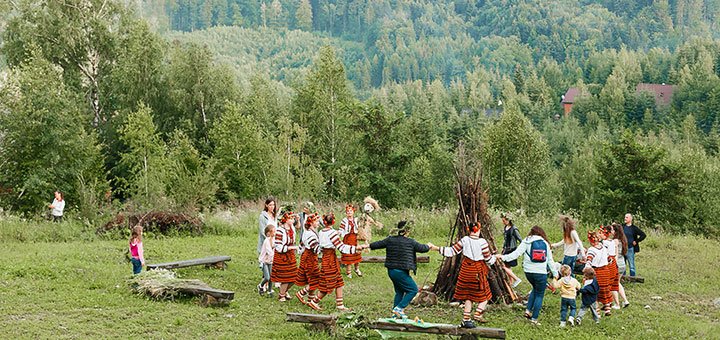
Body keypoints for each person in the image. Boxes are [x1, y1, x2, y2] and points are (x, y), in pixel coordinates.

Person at [429, 222, 496, 328]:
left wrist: (436, 248)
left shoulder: (464, 240)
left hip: (465, 271)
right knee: (485, 295)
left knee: (467, 296)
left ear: (468, 230)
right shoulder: (482, 242)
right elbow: (488, 259)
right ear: (478, 230)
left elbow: (451, 251)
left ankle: (466, 319)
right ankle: (478, 314)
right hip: (477, 272)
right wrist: (496, 258)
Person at [367, 220, 431, 320]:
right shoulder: (411, 242)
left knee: (400, 291)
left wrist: (366, 245)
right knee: (413, 289)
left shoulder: (390, 240)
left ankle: (394, 315)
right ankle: (399, 309)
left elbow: (377, 244)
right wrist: (429, 246)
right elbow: (422, 248)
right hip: (400, 272)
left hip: (391, 271)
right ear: (407, 231)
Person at [497, 225, 559, 325]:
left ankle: (528, 311)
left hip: (528, 272)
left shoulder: (526, 240)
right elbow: (550, 261)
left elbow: (516, 254)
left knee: (535, 288)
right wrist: (556, 274)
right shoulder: (545, 243)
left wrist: (503, 257)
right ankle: (534, 319)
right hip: (541, 273)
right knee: (540, 294)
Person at [308, 213, 358, 311]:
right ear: (333, 222)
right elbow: (341, 247)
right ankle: (314, 301)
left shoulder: (321, 232)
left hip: (326, 257)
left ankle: (340, 305)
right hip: (330, 259)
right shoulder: (332, 233)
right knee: (328, 283)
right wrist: (355, 249)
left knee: (339, 281)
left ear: (324, 222)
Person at [294, 213, 322, 308]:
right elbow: (316, 249)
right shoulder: (310, 234)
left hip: (307, 256)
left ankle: (310, 299)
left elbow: (301, 244)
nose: (318, 223)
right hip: (310, 257)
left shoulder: (307, 231)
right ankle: (301, 293)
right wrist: (326, 248)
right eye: (316, 221)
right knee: (316, 278)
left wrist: (301, 251)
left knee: (312, 278)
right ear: (311, 223)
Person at [271, 212, 299, 302]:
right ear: (285, 220)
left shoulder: (292, 229)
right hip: (282, 256)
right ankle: (281, 295)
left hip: (290, 255)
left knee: (294, 276)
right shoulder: (280, 230)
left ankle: (285, 291)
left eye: (292, 218)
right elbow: (278, 247)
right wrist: (291, 247)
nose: (292, 220)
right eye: (290, 218)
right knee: (285, 277)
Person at [584, 229, 613, 316]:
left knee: (595, 292)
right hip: (606, 271)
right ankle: (607, 309)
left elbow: (589, 261)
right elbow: (609, 259)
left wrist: (586, 269)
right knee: (605, 290)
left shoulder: (591, 250)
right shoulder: (603, 248)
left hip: (597, 272)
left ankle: (597, 312)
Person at [610, 223, 631, 308]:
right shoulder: (623, 240)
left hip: (617, 264)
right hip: (622, 264)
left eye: (611, 230)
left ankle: (617, 304)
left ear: (615, 231)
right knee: (618, 283)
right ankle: (625, 301)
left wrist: (613, 264)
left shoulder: (615, 241)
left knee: (613, 285)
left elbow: (615, 254)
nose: (610, 231)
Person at [500, 212, 523, 288]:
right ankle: (511, 282)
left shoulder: (514, 229)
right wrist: (503, 248)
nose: (503, 222)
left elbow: (520, 240)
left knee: (505, 266)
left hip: (511, 249)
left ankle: (516, 279)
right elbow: (505, 239)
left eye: (504, 221)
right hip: (506, 249)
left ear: (508, 220)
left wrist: (520, 250)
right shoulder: (505, 227)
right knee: (507, 266)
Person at [340, 205, 363, 277]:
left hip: (355, 238)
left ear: (353, 212)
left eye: (350, 211)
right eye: (347, 211)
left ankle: (356, 269)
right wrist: (338, 233)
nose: (349, 213)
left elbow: (361, 226)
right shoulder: (344, 221)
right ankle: (348, 272)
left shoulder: (356, 220)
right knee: (348, 255)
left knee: (357, 253)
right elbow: (341, 230)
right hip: (347, 239)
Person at [257, 223, 276, 296]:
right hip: (264, 261)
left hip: (270, 261)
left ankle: (270, 290)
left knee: (271, 277)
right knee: (267, 277)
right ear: (268, 233)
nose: (274, 233)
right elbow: (269, 251)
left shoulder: (273, 240)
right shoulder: (266, 241)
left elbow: (275, 247)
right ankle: (260, 285)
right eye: (273, 231)